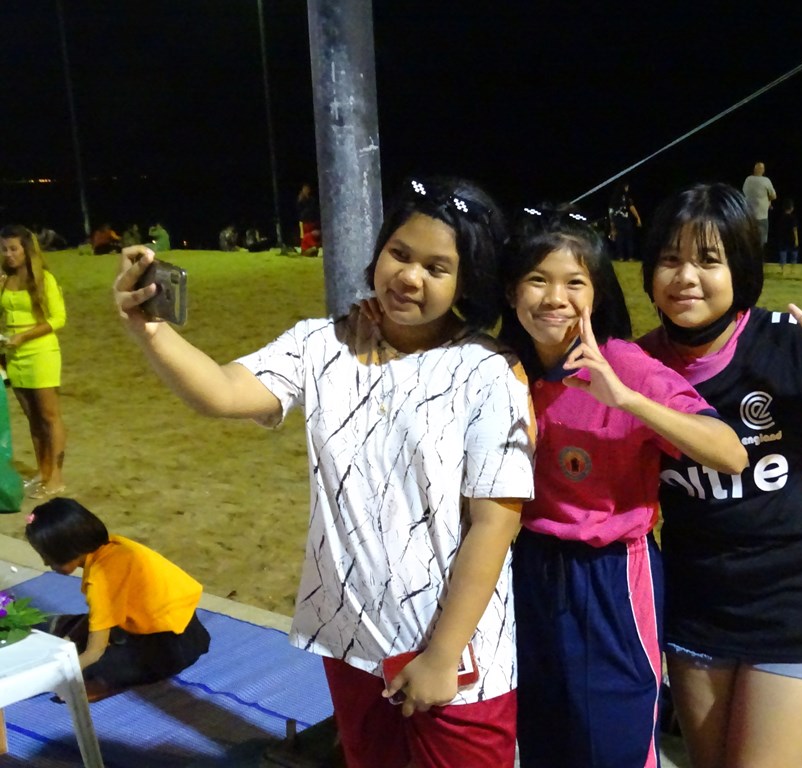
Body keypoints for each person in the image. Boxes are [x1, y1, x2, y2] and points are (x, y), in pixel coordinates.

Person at [113, 176, 536, 768]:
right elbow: (221, 392)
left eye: (438, 268)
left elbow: (495, 524)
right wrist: (148, 328)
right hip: (351, 641)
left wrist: (441, 657)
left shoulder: (488, 372)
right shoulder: (321, 344)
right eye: (400, 253)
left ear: (467, 279)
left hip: (458, 654)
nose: (410, 277)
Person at [638, 183, 802, 768]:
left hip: (797, 600)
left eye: (709, 260)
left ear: (741, 268)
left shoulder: (785, 342)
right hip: (699, 605)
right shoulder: (637, 364)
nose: (686, 277)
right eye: (670, 259)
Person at [498, 206, 747, 767]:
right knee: (543, 737)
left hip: (610, 576)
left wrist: (628, 401)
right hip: (530, 568)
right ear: (512, 291)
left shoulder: (623, 365)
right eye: (538, 279)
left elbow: (729, 451)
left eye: (574, 282)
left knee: (611, 742)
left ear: (599, 292)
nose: (554, 297)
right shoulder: (502, 366)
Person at [24, 496, 211, 701]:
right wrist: (71, 638)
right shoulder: (115, 545)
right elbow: (104, 614)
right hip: (191, 632)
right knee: (67, 629)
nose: (44, 563)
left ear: (68, 550)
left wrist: (56, 674)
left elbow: (94, 653)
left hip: (169, 650)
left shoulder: (101, 580)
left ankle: (101, 685)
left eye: (48, 557)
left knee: (87, 666)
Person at [0, 225, 68, 499]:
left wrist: (24, 336)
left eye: (13, 248)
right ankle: (43, 471)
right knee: (33, 419)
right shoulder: (5, 279)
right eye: (3, 249)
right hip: (13, 354)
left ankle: (57, 478)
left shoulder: (44, 279)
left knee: (49, 417)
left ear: (27, 250)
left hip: (40, 352)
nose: (8, 254)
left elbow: (58, 319)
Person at [742, 162, 777, 247]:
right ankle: (758, 258)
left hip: (749, 215)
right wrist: (768, 201)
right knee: (761, 241)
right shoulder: (766, 180)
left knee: (749, 240)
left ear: (754, 169)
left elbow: (744, 193)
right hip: (762, 216)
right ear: (763, 170)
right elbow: (774, 196)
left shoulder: (748, 179)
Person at [608, 181, 642, 261]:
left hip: (617, 221)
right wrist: (638, 218)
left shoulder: (613, 198)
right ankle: (630, 257)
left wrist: (612, 225)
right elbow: (631, 207)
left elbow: (611, 212)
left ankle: (620, 256)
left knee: (620, 239)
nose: (627, 189)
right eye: (626, 187)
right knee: (628, 239)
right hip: (625, 221)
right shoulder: (626, 197)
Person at [297, 183, 322, 256]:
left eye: (308, 189)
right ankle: (305, 249)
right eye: (305, 189)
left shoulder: (312, 199)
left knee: (311, 235)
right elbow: (299, 210)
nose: (307, 190)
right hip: (304, 220)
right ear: (303, 190)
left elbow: (315, 209)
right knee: (305, 236)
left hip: (311, 220)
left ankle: (311, 248)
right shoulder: (301, 199)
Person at [777, 197, 800, 274]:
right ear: (792, 208)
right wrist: (796, 240)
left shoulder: (781, 218)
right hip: (791, 239)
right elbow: (795, 230)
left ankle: (783, 271)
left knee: (783, 254)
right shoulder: (793, 218)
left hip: (783, 239)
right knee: (794, 254)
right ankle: (793, 270)